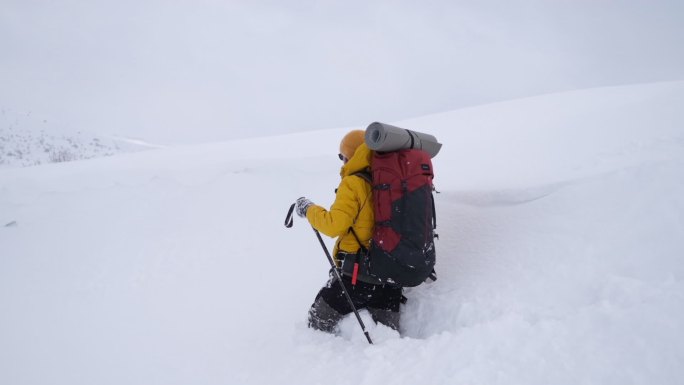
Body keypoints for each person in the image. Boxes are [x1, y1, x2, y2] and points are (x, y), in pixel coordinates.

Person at [295, 130, 403, 333]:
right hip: (391, 279)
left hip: (358, 279)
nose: (342, 161)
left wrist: (309, 209)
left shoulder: (354, 183)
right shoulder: (389, 182)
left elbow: (333, 225)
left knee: (316, 323)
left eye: (342, 155)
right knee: (389, 337)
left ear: (352, 155)